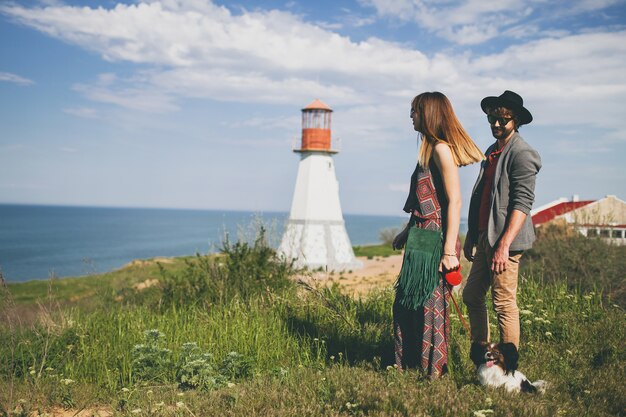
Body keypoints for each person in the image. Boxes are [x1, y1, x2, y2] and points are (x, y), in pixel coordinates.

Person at [392, 92, 484, 377]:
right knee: (407, 303)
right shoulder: (427, 149)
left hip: (435, 242)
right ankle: (407, 365)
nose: (411, 116)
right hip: (419, 238)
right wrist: (406, 232)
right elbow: (424, 201)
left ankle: (433, 369)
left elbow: (454, 201)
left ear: (427, 113)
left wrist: (448, 252)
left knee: (432, 306)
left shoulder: (441, 149)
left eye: (415, 111)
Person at [462, 90, 541, 371]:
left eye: (502, 120)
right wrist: (472, 234)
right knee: (471, 296)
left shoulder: (523, 153)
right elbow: (482, 197)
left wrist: (504, 245)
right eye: (492, 118)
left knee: (503, 303)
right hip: (485, 237)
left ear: (515, 121)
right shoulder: (492, 151)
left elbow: (522, 203)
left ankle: (509, 369)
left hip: (504, 242)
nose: (496, 124)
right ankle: (483, 358)